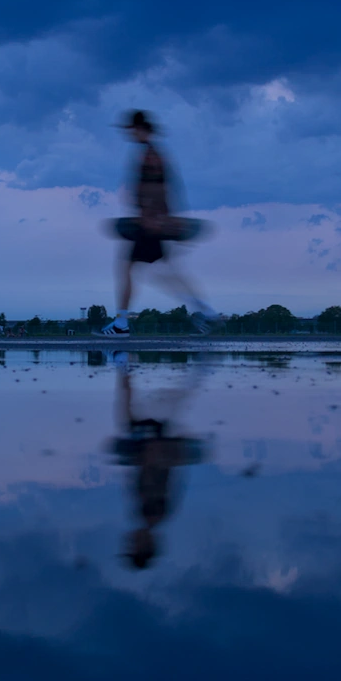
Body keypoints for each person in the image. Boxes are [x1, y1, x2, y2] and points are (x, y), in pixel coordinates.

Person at [101, 111, 216, 336]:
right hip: (152, 223)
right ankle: (204, 310)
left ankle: (121, 324)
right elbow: (168, 189)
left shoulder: (150, 156)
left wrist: (155, 220)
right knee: (161, 272)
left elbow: (158, 190)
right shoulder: (151, 153)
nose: (130, 133)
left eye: (132, 129)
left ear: (142, 129)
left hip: (149, 226)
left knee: (129, 267)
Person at [108, 352, 207, 569]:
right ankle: (123, 361)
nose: (130, 540)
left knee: (127, 412)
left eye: (130, 544)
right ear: (146, 545)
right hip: (156, 445)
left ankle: (123, 363)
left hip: (154, 446)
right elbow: (159, 474)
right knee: (130, 410)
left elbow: (149, 476)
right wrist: (152, 451)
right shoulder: (154, 513)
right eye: (133, 545)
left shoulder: (148, 515)